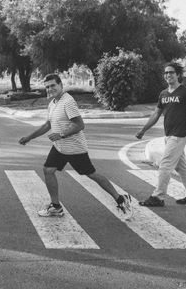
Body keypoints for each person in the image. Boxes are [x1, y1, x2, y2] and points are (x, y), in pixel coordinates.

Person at [19, 74, 133, 219]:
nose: (50, 89)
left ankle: (121, 199)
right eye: (47, 86)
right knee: (48, 170)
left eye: (53, 85)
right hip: (60, 147)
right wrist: (29, 137)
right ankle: (56, 207)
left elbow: (79, 124)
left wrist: (62, 134)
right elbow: (47, 125)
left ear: (61, 85)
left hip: (74, 148)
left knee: (91, 174)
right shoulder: (53, 103)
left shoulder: (68, 101)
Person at [136, 62, 186, 206]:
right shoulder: (163, 94)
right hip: (169, 135)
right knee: (181, 166)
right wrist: (143, 130)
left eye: (171, 72)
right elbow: (156, 114)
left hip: (179, 135)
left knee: (165, 164)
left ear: (178, 75)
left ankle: (158, 197)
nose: (168, 75)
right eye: (166, 73)